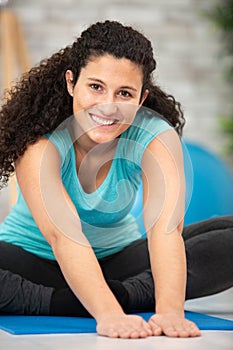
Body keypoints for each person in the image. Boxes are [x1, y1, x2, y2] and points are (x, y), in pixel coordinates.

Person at [0, 20, 232, 339]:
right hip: (29, 262)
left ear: (141, 98)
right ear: (71, 82)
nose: (108, 105)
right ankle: (84, 300)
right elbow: (64, 237)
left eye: (124, 93)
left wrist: (169, 312)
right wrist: (110, 315)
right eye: (95, 86)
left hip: (117, 260)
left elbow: (165, 232)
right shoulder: (39, 143)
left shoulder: (155, 137)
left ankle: (95, 296)